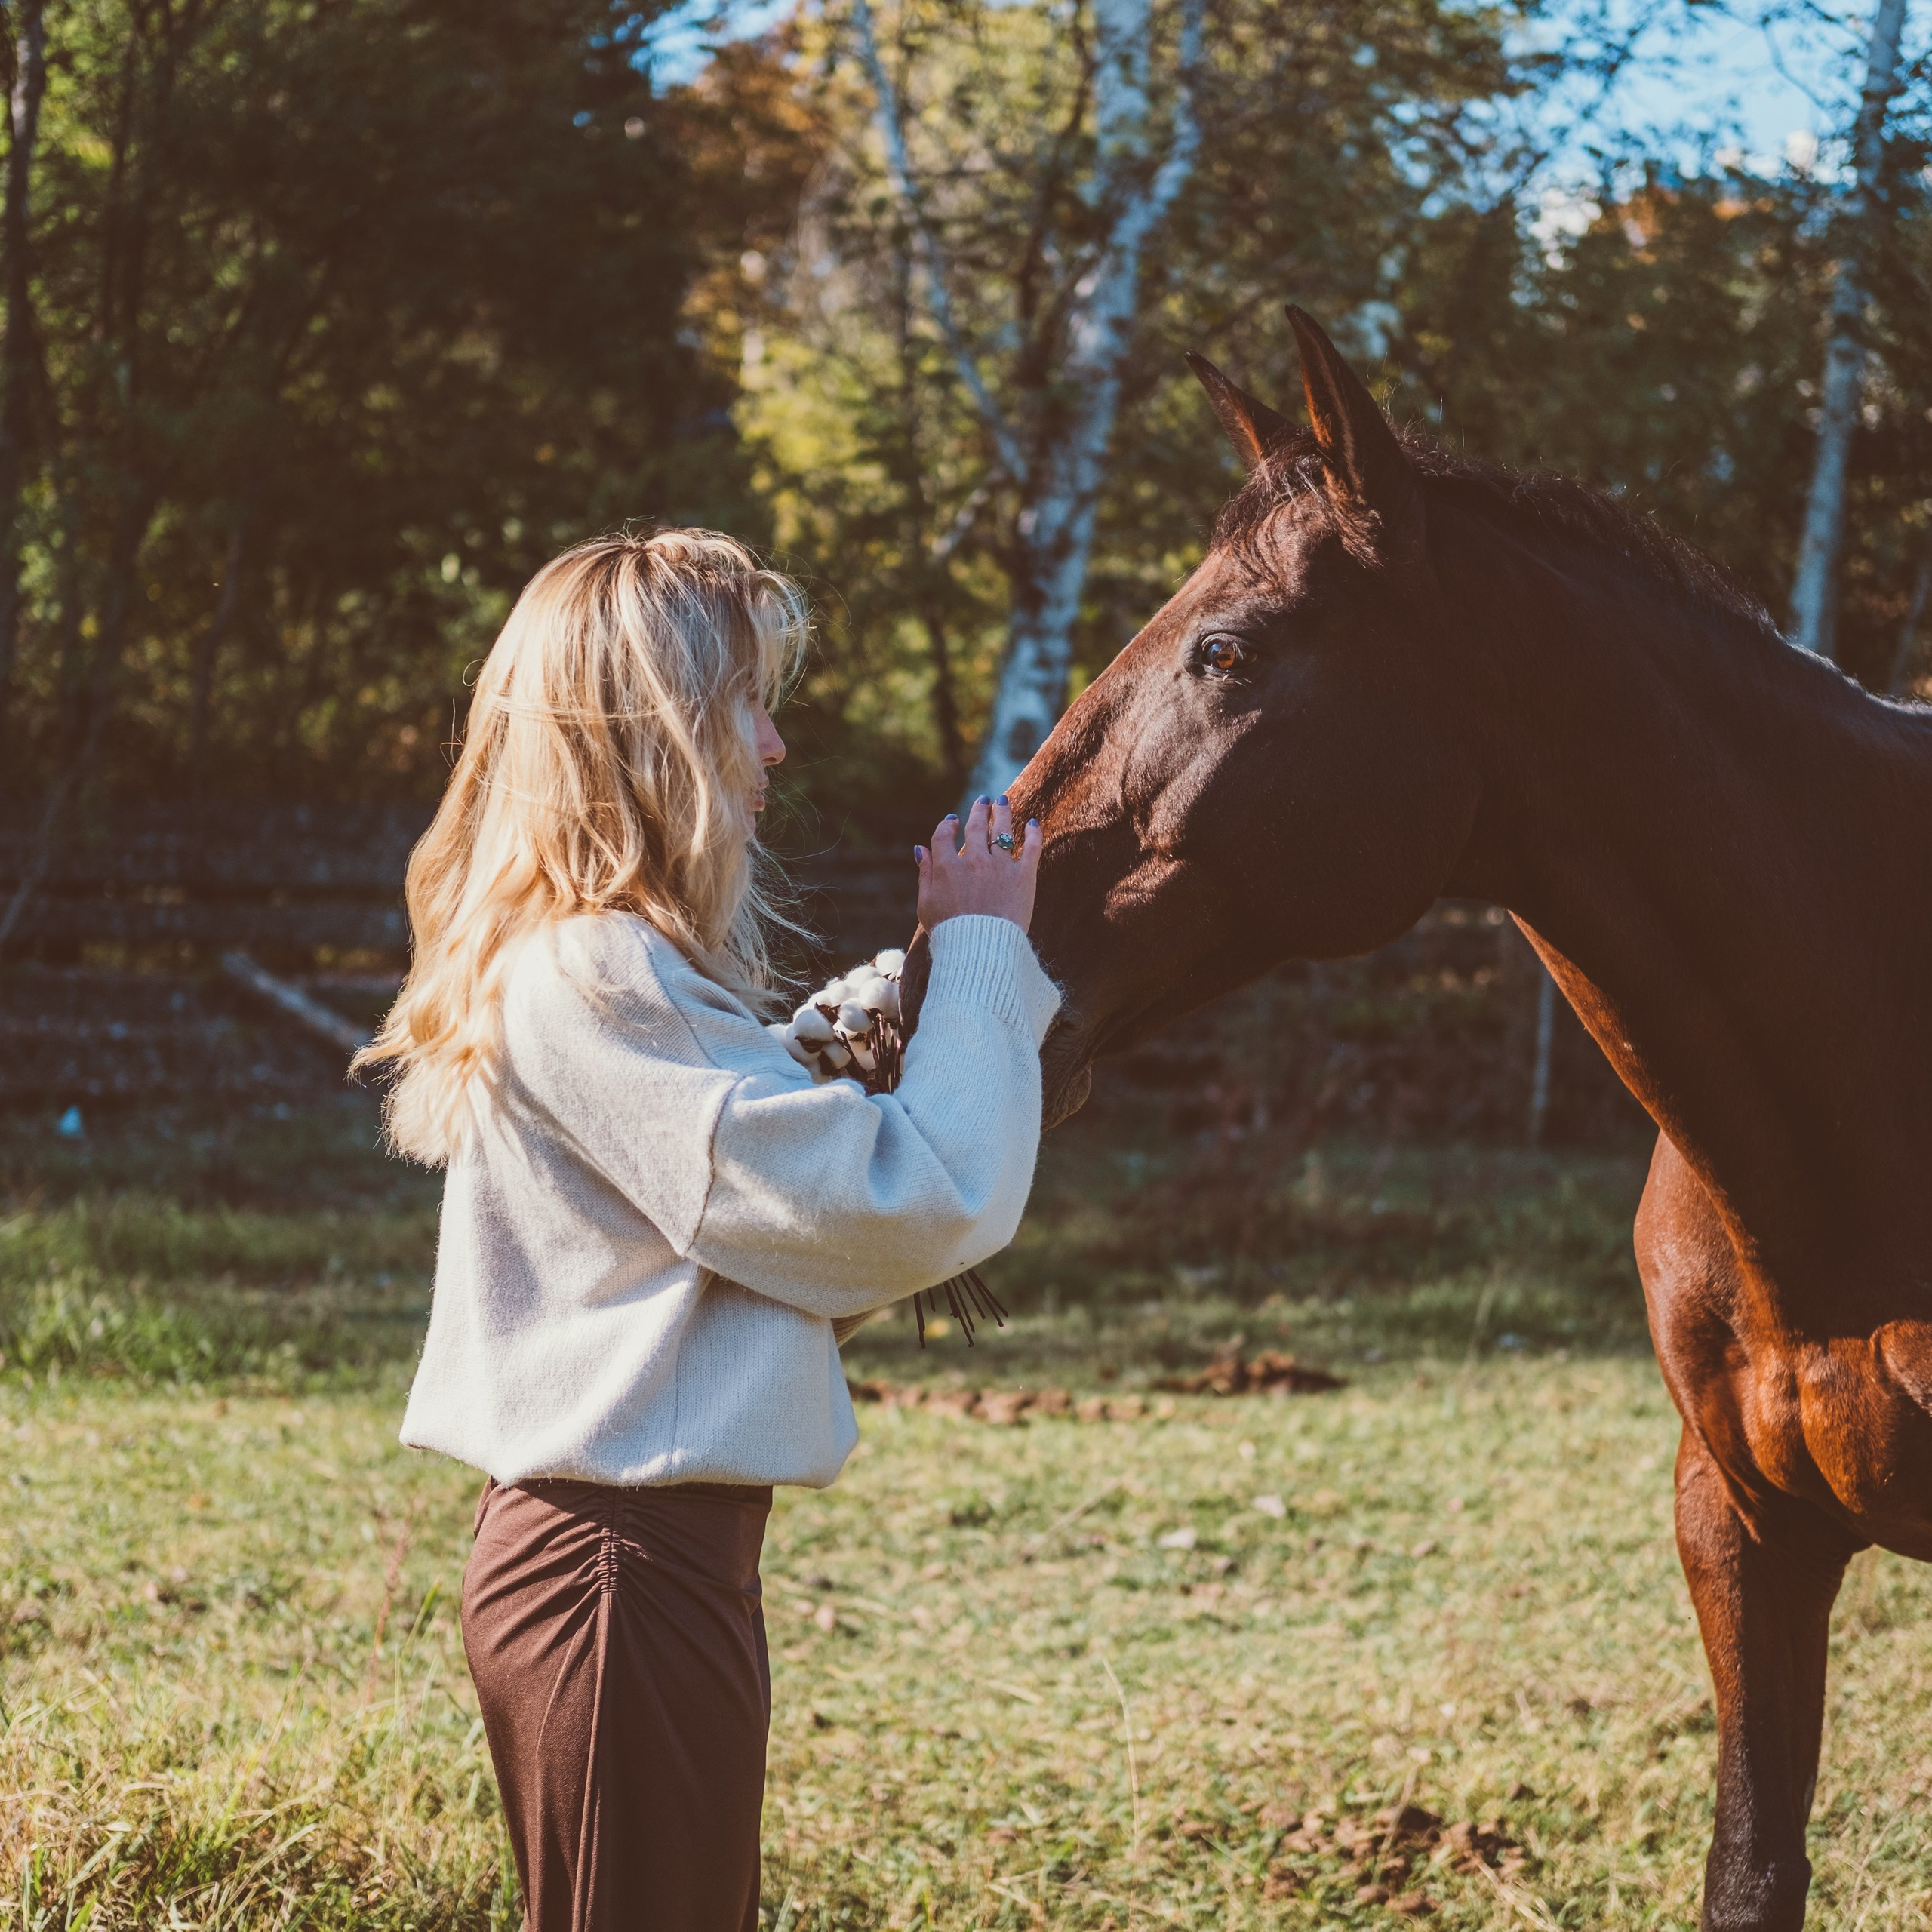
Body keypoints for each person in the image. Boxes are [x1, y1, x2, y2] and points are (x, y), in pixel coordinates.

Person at [354, 529, 1057, 1932]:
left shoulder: (590, 962)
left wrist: (861, 1023)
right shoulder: (602, 968)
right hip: (625, 1575)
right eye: (748, 701)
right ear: (657, 729)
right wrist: (980, 954)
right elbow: (908, 1201)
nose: (777, 746)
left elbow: (719, 1190)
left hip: (637, 1567)